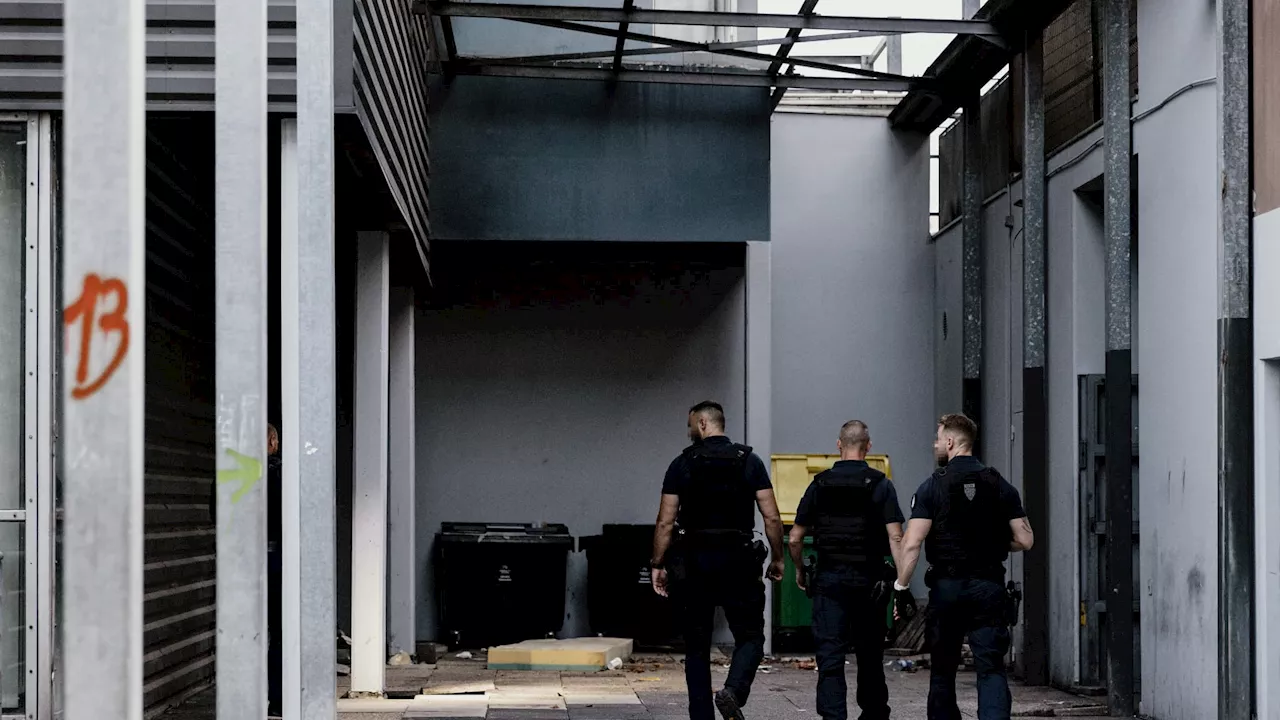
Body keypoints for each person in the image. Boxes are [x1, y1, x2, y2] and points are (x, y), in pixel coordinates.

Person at [892, 414, 1035, 720]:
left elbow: (912, 544)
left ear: (951, 442)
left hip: (948, 588)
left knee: (943, 670)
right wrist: (994, 543)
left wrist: (901, 587)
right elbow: (1025, 540)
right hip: (989, 586)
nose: (934, 444)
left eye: (937, 438)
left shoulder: (933, 486)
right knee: (991, 669)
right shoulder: (1000, 485)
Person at [650, 401, 786, 720]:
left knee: (697, 647)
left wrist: (658, 563)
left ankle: (701, 717)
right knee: (750, 636)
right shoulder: (749, 462)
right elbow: (772, 517)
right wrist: (778, 559)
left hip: (694, 562)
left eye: (689, 425)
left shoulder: (681, 464)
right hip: (739, 559)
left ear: (701, 424)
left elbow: (665, 522)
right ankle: (733, 691)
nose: (688, 431)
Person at [788, 421, 904, 720]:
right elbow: (896, 537)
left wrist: (800, 571)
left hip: (829, 581)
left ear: (839, 445)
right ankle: (875, 714)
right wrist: (902, 582)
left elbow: (796, 537)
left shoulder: (820, 483)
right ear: (868, 446)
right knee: (870, 657)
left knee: (830, 658)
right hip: (869, 582)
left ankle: (834, 717)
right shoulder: (881, 484)